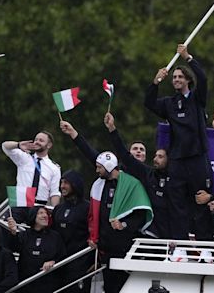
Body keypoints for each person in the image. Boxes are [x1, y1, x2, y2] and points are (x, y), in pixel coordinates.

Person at [60, 120, 152, 293]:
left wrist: (124, 225)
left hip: (133, 242)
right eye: (134, 149)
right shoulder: (107, 179)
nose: (138, 152)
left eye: (142, 149)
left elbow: (140, 213)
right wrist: (74, 134)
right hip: (107, 246)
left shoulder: (144, 176)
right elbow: (93, 155)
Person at [144, 44, 213, 245]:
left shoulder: (197, 99)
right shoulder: (169, 103)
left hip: (197, 157)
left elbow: (204, 79)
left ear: (188, 81)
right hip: (178, 160)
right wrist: (155, 83)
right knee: (177, 204)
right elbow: (149, 103)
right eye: (173, 77)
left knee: (200, 202)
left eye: (180, 77)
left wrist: (188, 58)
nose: (176, 80)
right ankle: (180, 246)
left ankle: (205, 247)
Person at [104, 112, 171, 239]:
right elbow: (123, 154)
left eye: (160, 156)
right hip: (145, 233)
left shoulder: (174, 177)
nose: (156, 158)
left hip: (169, 234)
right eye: (135, 148)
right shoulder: (146, 173)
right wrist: (112, 129)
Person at [2, 131, 61, 222]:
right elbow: (5, 146)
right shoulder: (25, 158)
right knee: (8, 228)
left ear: (49, 145)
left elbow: (54, 193)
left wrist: (55, 212)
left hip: (39, 206)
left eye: (41, 140)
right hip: (20, 202)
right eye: (36, 139)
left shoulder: (54, 168)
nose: (37, 142)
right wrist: (18, 145)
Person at [7, 206, 66, 293]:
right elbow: (14, 247)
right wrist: (13, 233)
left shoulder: (55, 236)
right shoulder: (24, 235)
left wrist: (53, 262)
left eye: (46, 213)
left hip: (48, 283)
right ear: (33, 215)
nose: (45, 215)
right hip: (26, 284)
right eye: (40, 213)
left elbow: (62, 255)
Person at [52, 170, 92, 293]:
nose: (62, 186)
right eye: (61, 182)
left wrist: (95, 261)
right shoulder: (58, 209)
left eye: (66, 183)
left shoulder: (88, 207)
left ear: (75, 184)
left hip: (80, 264)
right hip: (59, 264)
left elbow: (95, 234)